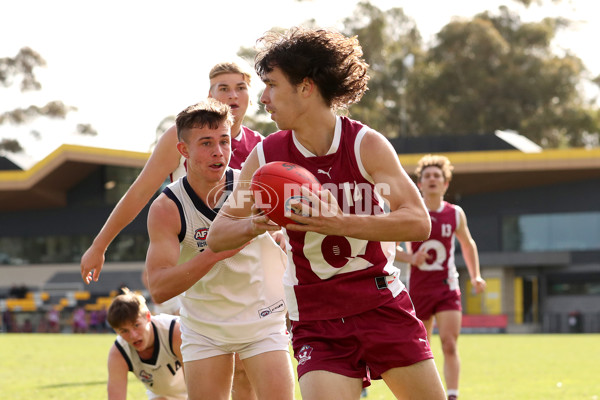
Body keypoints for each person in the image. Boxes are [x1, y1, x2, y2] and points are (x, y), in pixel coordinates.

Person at [207, 26, 446, 400]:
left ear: (305, 87)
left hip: (380, 302)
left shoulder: (364, 144)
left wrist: (338, 222)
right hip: (316, 317)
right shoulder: (267, 155)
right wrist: (256, 223)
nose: (263, 98)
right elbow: (219, 235)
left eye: (271, 85)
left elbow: (418, 221)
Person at [80, 60, 264, 400]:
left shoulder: (261, 145)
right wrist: (100, 244)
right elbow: (139, 192)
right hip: (195, 272)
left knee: (248, 377)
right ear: (210, 94)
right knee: (218, 372)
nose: (233, 95)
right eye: (223, 88)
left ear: (250, 97)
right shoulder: (179, 138)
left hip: (249, 279)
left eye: (240, 87)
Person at [144, 99, 294, 400]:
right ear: (183, 150)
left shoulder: (254, 187)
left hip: (263, 321)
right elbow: (159, 288)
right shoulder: (168, 207)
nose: (219, 151)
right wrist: (216, 251)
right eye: (206, 143)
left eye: (224, 141)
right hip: (204, 330)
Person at [395, 154, 487, 400]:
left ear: (446, 184)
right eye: (427, 176)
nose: (432, 179)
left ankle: (453, 395)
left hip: (447, 287)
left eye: (438, 176)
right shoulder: (411, 211)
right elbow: (390, 248)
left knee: (448, 342)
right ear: (420, 184)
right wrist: (411, 258)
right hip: (418, 289)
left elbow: (468, 245)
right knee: (421, 348)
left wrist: (476, 276)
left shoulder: (455, 213)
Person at [106, 287, 187, 400]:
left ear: (148, 317)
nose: (133, 335)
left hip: (197, 390)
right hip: (163, 396)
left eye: (136, 325)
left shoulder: (175, 332)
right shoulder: (118, 353)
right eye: (124, 331)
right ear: (116, 331)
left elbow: (199, 382)